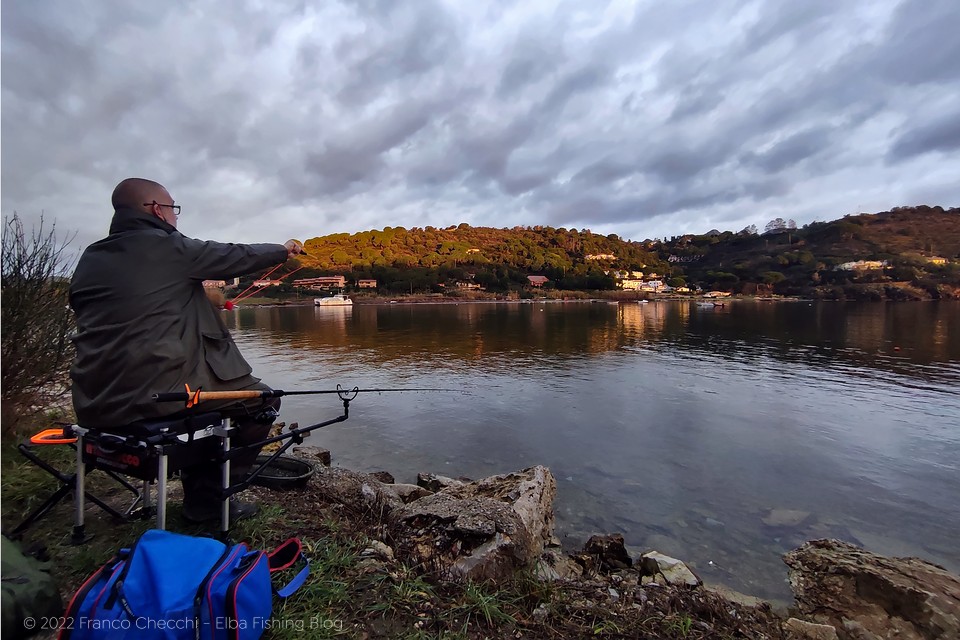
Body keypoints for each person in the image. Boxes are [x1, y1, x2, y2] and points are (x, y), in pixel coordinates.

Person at [69, 178, 304, 523]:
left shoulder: (90, 257)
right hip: (152, 398)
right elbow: (234, 255)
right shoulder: (168, 247)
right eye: (174, 209)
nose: (176, 218)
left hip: (93, 401)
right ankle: (210, 501)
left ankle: (201, 483)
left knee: (207, 399)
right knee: (262, 401)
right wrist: (283, 250)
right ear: (156, 210)